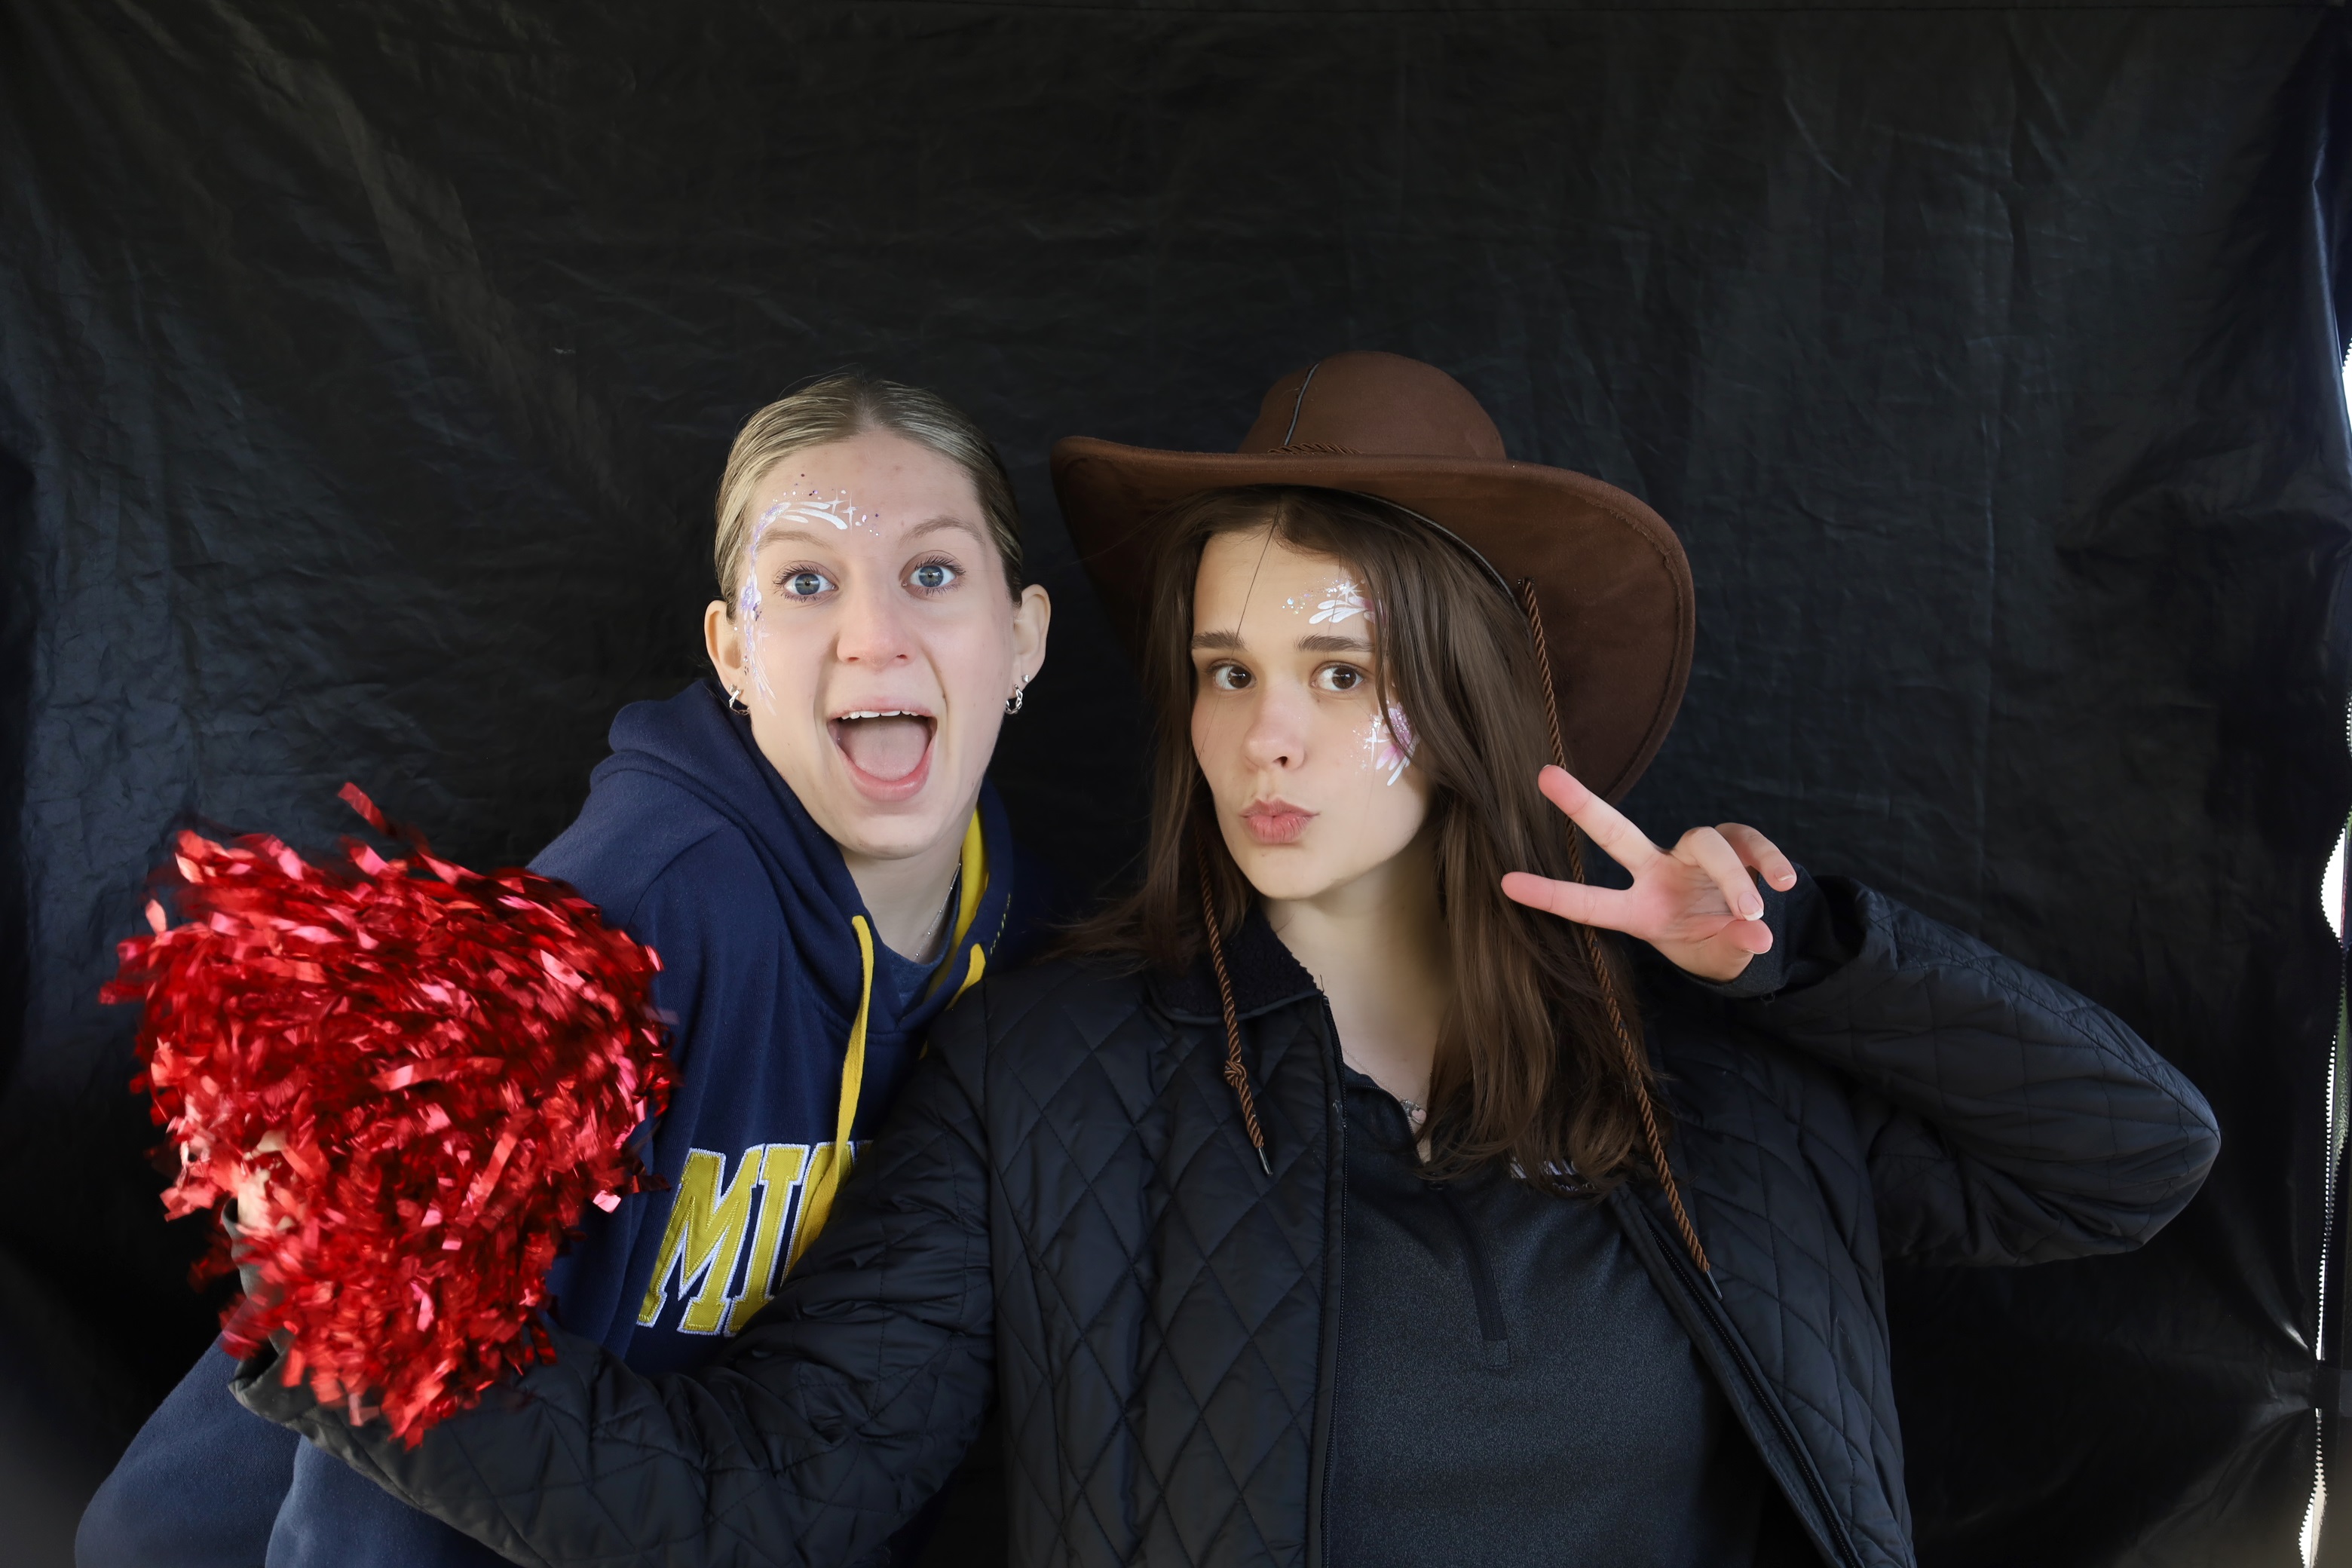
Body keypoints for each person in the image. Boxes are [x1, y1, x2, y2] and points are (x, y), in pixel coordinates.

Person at [233, 353, 2219, 1568]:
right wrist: (341, 1310)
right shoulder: (1052, 1076)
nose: (1268, 736)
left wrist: (1804, 959)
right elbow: (771, 1497)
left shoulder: (1717, 1078)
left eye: (1341, 673)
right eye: (1226, 668)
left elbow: (2131, 1158)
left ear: (1470, 701)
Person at [77, 373, 1052, 1568]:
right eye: (806, 582)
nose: (875, 635)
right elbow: (393, 1382)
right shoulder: (626, 922)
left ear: (1024, 634)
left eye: (933, 572)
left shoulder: (1023, 946)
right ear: (735, 653)